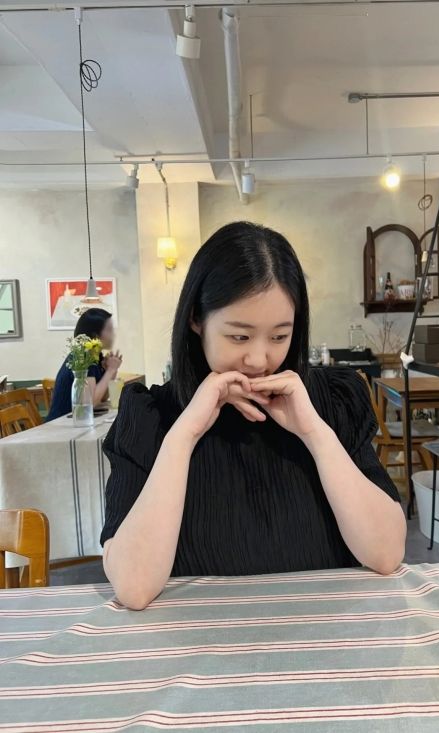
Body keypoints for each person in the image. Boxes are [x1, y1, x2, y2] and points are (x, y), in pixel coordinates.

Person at [101, 222, 406, 610]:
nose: (260, 360)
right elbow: (134, 587)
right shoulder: (150, 416)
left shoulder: (331, 401)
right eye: (239, 337)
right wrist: (185, 433)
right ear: (196, 319)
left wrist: (314, 432)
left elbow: (386, 554)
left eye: (279, 336)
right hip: (199, 641)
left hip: (326, 633)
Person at [47, 308, 123, 421]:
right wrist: (110, 370)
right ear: (96, 335)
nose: (113, 334)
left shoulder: (96, 355)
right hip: (61, 423)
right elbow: (90, 403)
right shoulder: (83, 356)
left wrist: (111, 371)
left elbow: (102, 398)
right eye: (109, 329)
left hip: (77, 420)